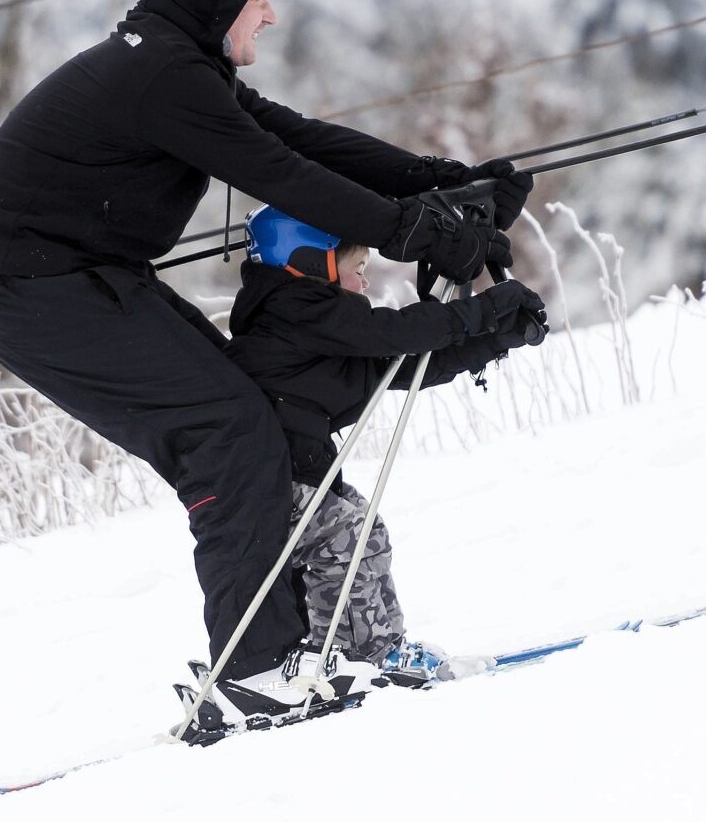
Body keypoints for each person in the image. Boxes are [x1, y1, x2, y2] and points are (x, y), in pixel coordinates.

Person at [0, 0, 539, 699]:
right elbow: (281, 176)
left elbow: (303, 141)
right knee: (227, 428)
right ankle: (257, 669)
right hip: (38, 293)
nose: (272, 9)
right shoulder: (163, 77)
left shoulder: (181, 68)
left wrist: (441, 183)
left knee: (251, 414)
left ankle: (313, 644)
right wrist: (415, 233)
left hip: (86, 280)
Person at [222, 206, 548, 697]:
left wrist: (494, 338)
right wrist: (484, 308)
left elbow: (393, 366)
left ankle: (376, 648)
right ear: (312, 262)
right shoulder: (293, 310)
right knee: (346, 534)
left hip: (289, 476)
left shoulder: (309, 328)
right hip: (260, 485)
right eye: (357, 272)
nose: (364, 286)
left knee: (360, 526)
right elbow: (391, 334)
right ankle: (357, 655)